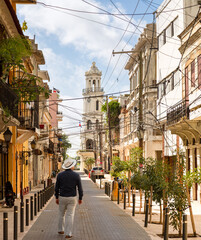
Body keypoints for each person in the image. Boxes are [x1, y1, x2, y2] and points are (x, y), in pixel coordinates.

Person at [55, 158, 83, 239]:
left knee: (61, 214)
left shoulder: (60, 175)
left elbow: (57, 187)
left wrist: (56, 197)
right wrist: (80, 198)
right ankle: (68, 233)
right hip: (72, 197)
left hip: (62, 197)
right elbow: (80, 188)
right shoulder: (76, 175)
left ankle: (60, 230)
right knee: (70, 215)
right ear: (71, 167)